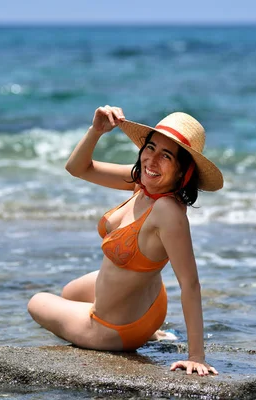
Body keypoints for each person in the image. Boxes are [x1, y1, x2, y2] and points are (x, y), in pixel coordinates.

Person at [28, 105, 223, 376]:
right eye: (151, 148)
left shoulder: (167, 212)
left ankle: (129, 328)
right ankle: (152, 330)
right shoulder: (141, 183)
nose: (152, 161)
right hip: (149, 305)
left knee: (37, 301)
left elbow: (190, 283)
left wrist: (196, 356)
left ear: (183, 172)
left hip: (116, 329)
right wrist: (96, 131)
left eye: (166, 155)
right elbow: (77, 168)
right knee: (69, 293)